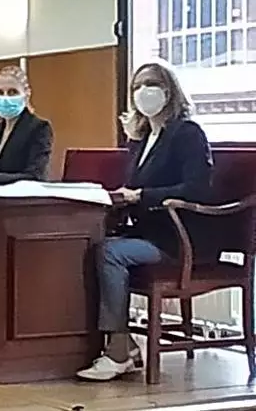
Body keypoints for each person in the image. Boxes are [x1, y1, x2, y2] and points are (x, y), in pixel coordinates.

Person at [77, 61, 225, 381]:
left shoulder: (187, 133)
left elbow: (197, 188)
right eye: (137, 86)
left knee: (110, 253)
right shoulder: (143, 139)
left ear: (169, 91)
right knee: (88, 246)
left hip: (177, 239)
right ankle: (123, 344)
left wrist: (142, 195)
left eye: (151, 84)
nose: (143, 92)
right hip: (148, 232)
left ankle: (118, 350)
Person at [0, 65, 53, 184]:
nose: (5, 98)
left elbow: (35, 175)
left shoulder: (39, 128)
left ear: (26, 95)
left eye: (12, 92)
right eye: (0, 92)